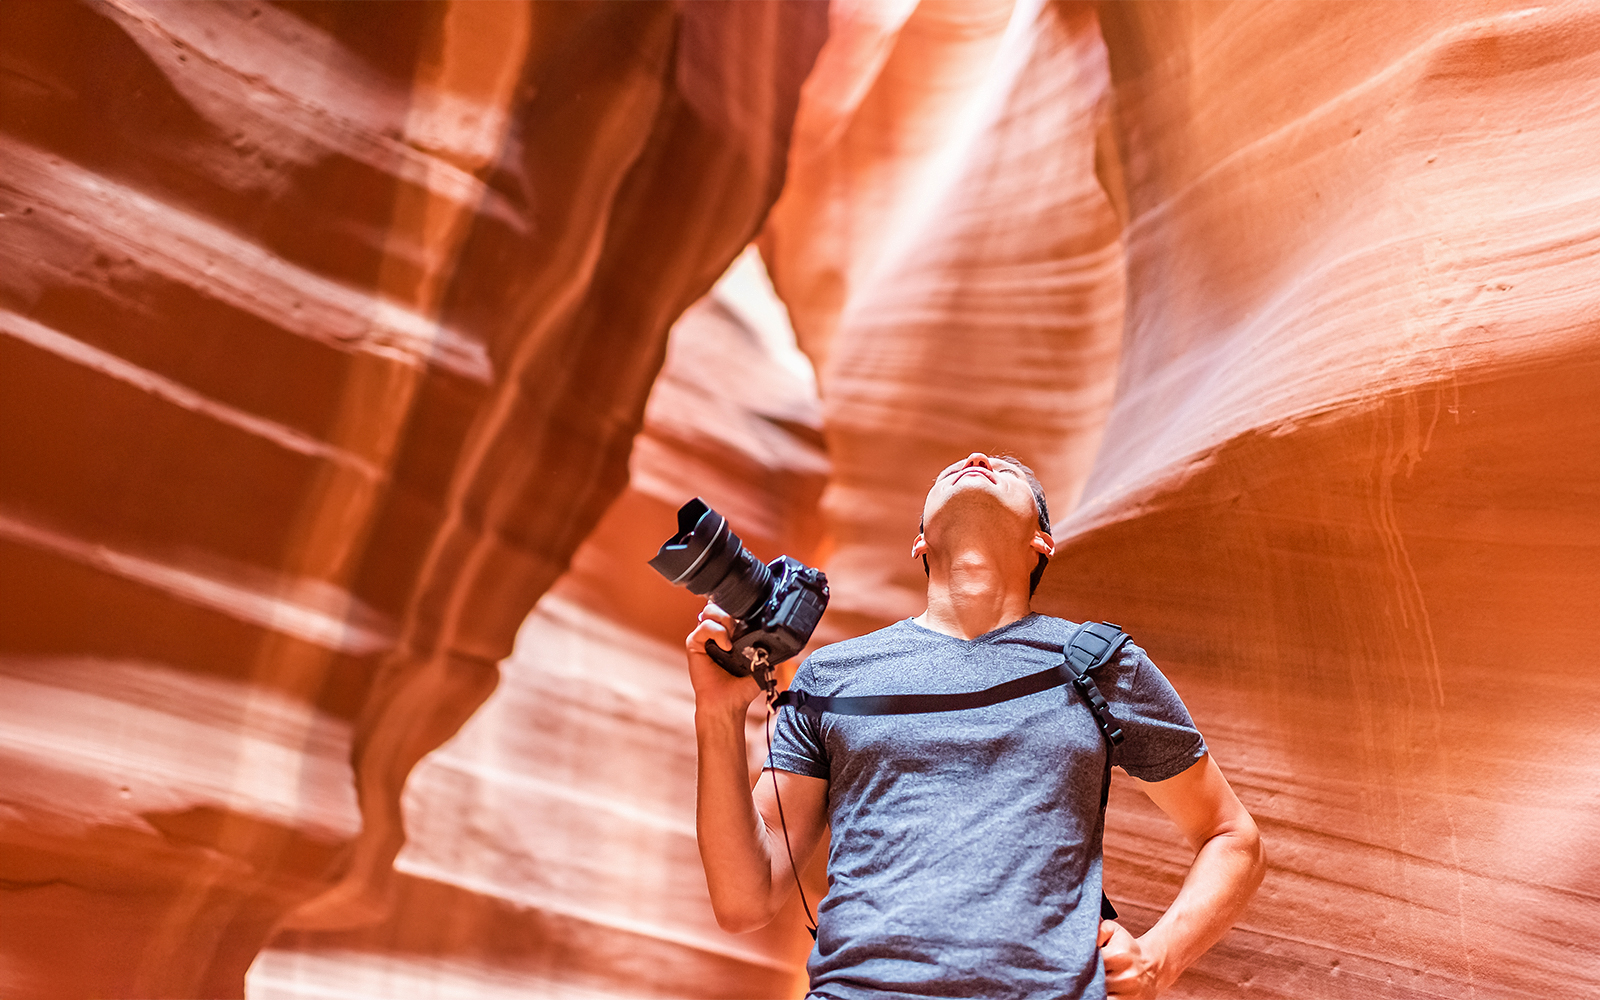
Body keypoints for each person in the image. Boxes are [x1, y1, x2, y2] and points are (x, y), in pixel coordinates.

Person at [685, 452, 1264, 999]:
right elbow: (746, 898)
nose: (977, 460)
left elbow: (1232, 837)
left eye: (1007, 469)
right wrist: (718, 714)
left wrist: (1160, 957)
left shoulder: (1096, 662)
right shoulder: (832, 675)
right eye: (950, 472)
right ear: (920, 542)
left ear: (1042, 541)